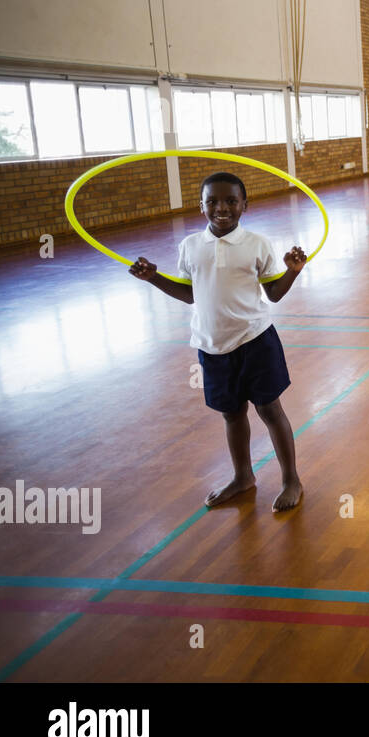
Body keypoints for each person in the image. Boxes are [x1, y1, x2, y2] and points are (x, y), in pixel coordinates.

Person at [129, 172, 305, 512]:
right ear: (201, 206)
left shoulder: (256, 244)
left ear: (244, 205)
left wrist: (292, 272)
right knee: (231, 414)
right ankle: (243, 477)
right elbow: (189, 294)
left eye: (230, 201)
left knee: (270, 409)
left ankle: (291, 479)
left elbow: (274, 294)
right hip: (212, 346)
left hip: (256, 340)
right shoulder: (190, 246)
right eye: (212, 201)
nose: (221, 208)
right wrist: (153, 279)